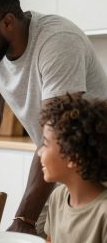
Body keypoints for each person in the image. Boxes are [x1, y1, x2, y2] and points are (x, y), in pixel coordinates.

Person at [0, 0, 107, 235]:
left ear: (8, 22)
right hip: (59, 163)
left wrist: (24, 218)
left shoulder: (58, 43)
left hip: (96, 166)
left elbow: (56, 131)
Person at [38, 94, 107, 243]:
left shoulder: (104, 213)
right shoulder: (57, 197)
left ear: (73, 156)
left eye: (45, 144)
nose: (39, 152)